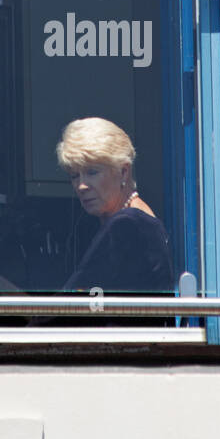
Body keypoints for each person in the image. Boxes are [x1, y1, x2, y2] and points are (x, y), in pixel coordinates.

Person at [40, 117, 174, 326]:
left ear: (123, 171)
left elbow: (71, 304)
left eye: (92, 172)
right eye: (75, 175)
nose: (81, 186)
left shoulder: (128, 224)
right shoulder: (138, 217)